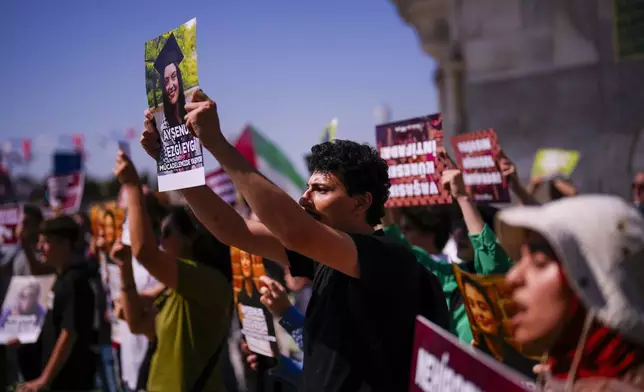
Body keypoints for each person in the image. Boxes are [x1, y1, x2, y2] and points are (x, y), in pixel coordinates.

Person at [140, 90, 449, 391]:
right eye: (307, 187)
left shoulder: (389, 257)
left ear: (361, 202)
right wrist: (174, 162)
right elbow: (233, 230)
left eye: (322, 189)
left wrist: (216, 142)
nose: (304, 198)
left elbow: (294, 230)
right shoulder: (325, 259)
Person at [113, 151, 233, 392]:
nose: (161, 241)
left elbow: (144, 252)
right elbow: (136, 322)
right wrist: (124, 266)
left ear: (190, 239)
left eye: (166, 234)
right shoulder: (175, 288)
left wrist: (132, 187)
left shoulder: (207, 281)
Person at [498, 195, 644, 390]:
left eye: (540, 262)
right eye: (519, 260)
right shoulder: (564, 374)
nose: (512, 277)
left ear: (597, 284)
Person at [17, 215, 98, 392]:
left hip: (71, 380)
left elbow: (69, 333)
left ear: (64, 244)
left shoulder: (74, 281)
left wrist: (44, 379)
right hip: (59, 380)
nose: (39, 247)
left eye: (45, 242)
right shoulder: (61, 277)